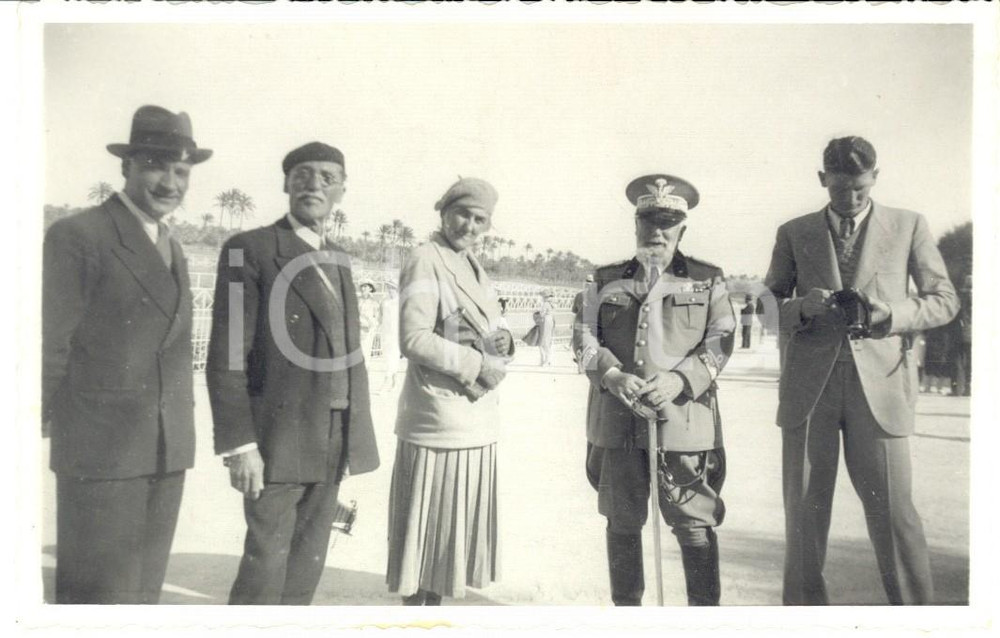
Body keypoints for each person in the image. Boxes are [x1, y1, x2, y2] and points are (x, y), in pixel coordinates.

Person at [764, 136, 959, 605]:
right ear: (821, 180)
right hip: (810, 392)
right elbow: (766, 307)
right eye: (838, 189)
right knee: (805, 518)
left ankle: (916, 621)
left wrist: (889, 314)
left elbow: (944, 300)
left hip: (883, 392)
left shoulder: (909, 225)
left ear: (876, 178)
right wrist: (801, 308)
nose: (849, 199)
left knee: (895, 518)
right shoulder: (794, 231)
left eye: (859, 188)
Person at [42, 105, 210, 603]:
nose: (170, 182)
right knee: (99, 603)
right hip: (101, 453)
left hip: (165, 452)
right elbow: (49, 344)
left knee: (143, 603)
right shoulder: (79, 236)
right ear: (127, 167)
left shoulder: (171, 246)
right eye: (156, 165)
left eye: (181, 171)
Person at [206, 142, 380, 605]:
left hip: (333, 436)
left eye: (327, 176)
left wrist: (353, 435)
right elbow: (227, 354)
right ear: (286, 183)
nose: (314, 184)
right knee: (265, 570)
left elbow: (348, 351)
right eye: (302, 174)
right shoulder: (248, 249)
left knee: (305, 571)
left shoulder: (339, 258)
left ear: (342, 189)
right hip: (277, 439)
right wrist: (240, 445)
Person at [574, 173, 736, 606]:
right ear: (635, 224)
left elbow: (722, 338)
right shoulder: (604, 278)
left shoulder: (707, 279)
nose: (657, 231)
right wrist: (611, 375)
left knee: (694, 523)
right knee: (622, 523)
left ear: (683, 229)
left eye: (667, 222)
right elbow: (583, 338)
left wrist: (680, 379)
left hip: (683, 424)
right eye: (649, 220)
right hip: (618, 423)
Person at [386, 177, 514, 606]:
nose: (471, 226)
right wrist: (479, 364)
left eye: (481, 219)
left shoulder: (471, 263)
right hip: (438, 421)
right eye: (463, 214)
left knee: (445, 549)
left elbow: (486, 327)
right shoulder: (426, 258)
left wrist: (503, 343)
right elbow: (414, 338)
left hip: (472, 418)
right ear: (444, 212)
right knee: (424, 549)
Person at [378, 279, 401, 393]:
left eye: (392, 288)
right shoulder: (384, 302)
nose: (390, 290)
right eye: (389, 288)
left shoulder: (400, 302)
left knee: (393, 357)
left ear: (396, 289)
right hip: (386, 333)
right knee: (388, 358)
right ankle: (395, 383)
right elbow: (380, 317)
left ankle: (385, 382)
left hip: (397, 334)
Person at [358, 280, 381, 359]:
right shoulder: (357, 300)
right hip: (357, 329)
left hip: (368, 331)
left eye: (365, 287)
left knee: (365, 352)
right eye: (362, 287)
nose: (363, 289)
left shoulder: (374, 302)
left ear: (370, 289)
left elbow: (377, 318)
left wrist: (371, 326)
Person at [535, 289, 556, 366]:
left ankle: (545, 360)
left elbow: (542, 314)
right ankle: (548, 359)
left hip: (545, 321)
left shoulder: (545, 304)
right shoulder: (551, 304)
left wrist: (537, 313)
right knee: (548, 339)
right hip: (550, 321)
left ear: (544, 297)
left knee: (543, 340)